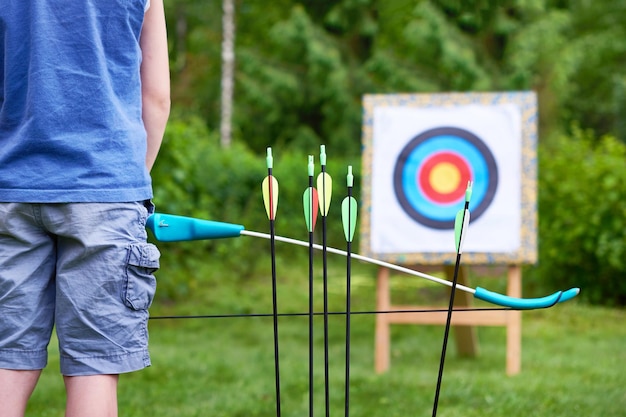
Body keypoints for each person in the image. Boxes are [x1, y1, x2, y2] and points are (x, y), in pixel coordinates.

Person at [0, 0, 170, 416]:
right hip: (107, 189)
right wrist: (124, 182)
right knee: (94, 365)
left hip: (11, 188)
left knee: (5, 357)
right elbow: (157, 96)